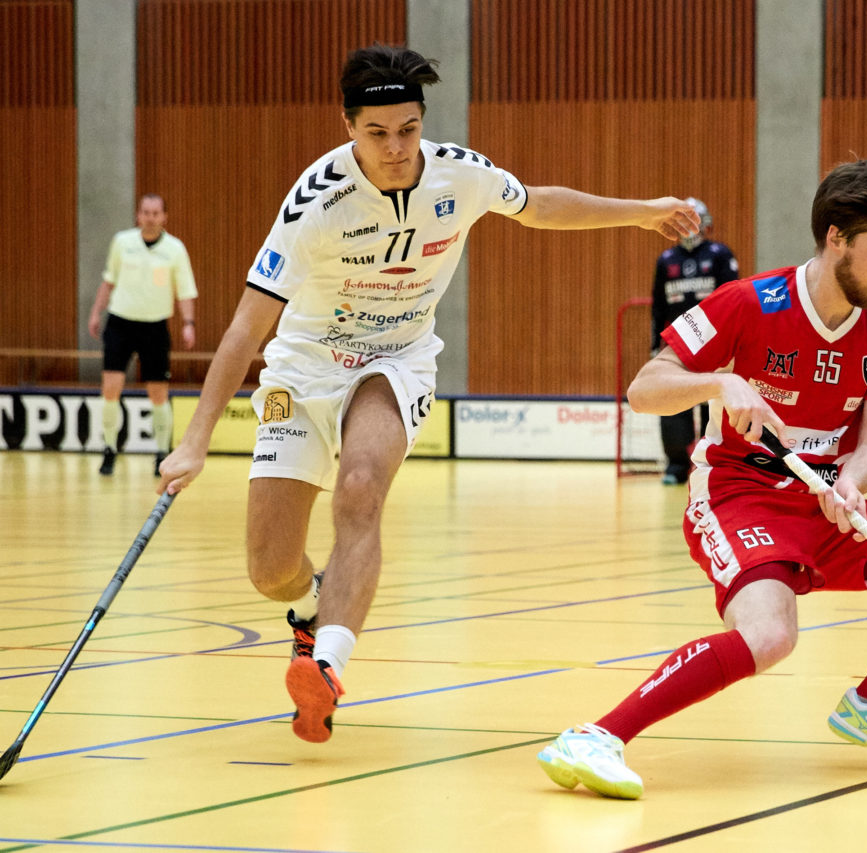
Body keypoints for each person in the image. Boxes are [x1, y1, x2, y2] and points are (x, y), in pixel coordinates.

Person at [157, 43, 699, 745]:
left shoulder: (459, 175)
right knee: (269, 569)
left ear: (422, 122)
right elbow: (243, 330)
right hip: (305, 368)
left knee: (361, 487)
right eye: (377, 133)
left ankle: (326, 666)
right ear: (348, 126)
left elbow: (539, 207)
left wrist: (640, 211)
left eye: (408, 129)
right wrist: (196, 439)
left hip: (398, 356)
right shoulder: (315, 201)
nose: (395, 148)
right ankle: (311, 609)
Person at [536, 160, 867, 799]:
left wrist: (853, 481)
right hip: (740, 495)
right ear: (836, 237)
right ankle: (596, 737)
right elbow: (644, 390)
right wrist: (721, 381)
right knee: (771, 636)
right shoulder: (747, 302)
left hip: (827, 502)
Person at [88, 194, 198, 476]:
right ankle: (110, 449)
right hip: (120, 324)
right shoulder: (123, 243)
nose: (150, 217)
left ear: (164, 217)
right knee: (111, 387)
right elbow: (108, 280)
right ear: (138, 215)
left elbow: (185, 290)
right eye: (146, 212)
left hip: (154, 327)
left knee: (158, 392)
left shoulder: (175, 249)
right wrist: (96, 312)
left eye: (156, 212)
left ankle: (162, 452)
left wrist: (188, 323)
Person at [649, 198, 738, 484]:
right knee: (675, 403)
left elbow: (732, 300)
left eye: (695, 221)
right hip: (678, 346)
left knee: (712, 402)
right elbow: (658, 307)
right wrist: (655, 344)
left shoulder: (720, 255)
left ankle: (711, 464)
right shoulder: (666, 260)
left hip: (713, 342)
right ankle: (675, 466)